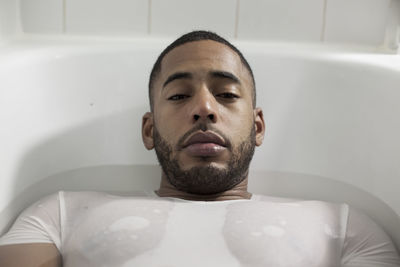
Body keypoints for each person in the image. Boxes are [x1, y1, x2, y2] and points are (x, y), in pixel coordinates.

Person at [0, 30, 399, 267]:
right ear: (149, 129)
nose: (204, 109)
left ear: (257, 126)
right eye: (177, 96)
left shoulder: (347, 228)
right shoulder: (58, 215)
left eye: (226, 94)